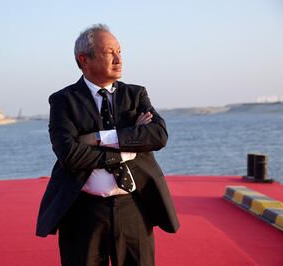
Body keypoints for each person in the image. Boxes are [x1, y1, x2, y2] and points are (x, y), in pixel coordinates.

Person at [36, 24, 179, 266]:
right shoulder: (63, 101)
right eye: (109, 52)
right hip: (83, 214)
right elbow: (70, 154)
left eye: (120, 51)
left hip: (134, 209)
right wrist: (129, 147)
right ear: (84, 59)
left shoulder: (136, 95)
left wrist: (100, 138)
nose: (119, 58)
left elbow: (158, 135)